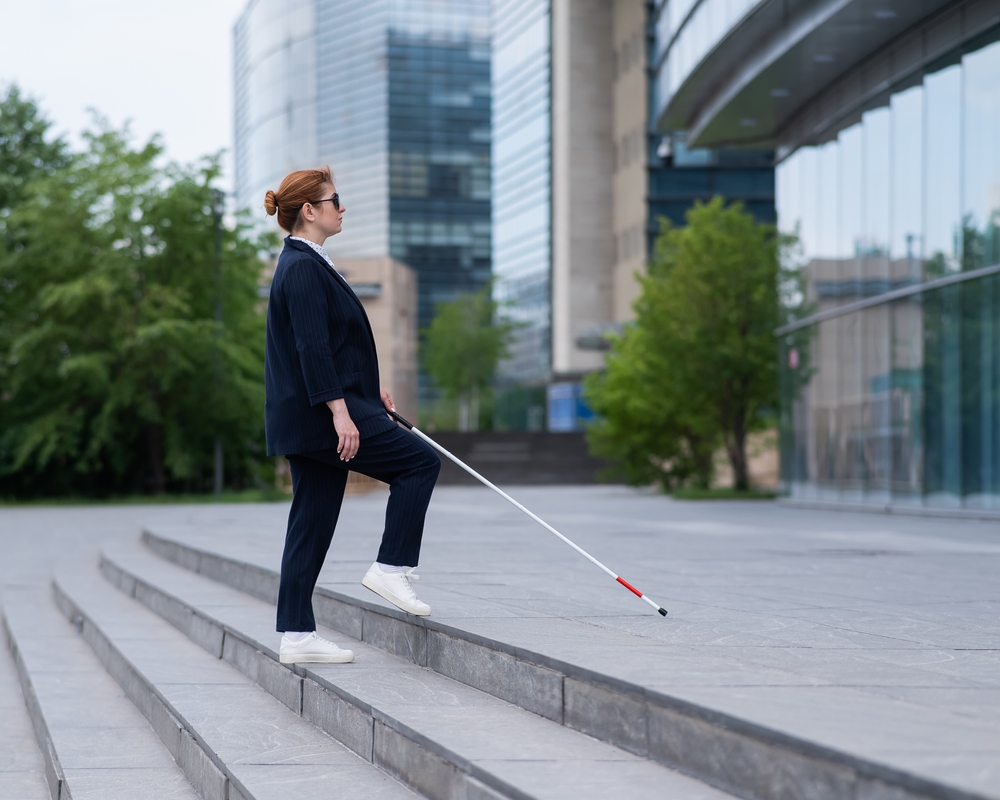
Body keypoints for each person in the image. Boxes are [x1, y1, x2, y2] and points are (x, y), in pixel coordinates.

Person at [262, 166, 441, 665]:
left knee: (311, 522)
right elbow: (312, 350)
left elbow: (335, 345)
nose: (343, 207)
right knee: (418, 464)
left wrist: (368, 390)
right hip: (322, 416)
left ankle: (296, 634)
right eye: (335, 199)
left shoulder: (309, 263)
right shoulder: (300, 267)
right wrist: (342, 413)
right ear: (310, 211)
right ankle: (391, 566)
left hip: (317, 413)